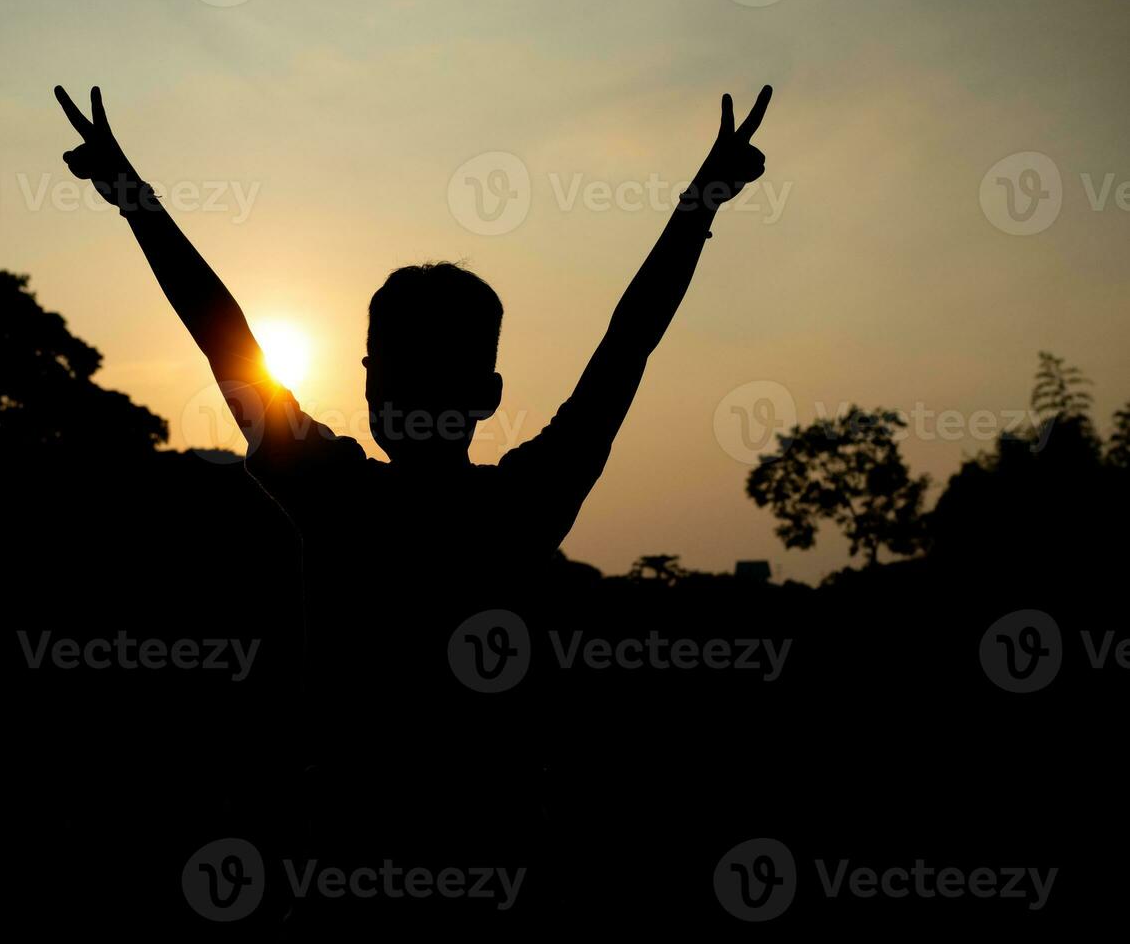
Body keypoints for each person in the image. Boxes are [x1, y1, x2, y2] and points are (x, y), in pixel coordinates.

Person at [54, 82, 773, 928]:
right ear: (491, 392)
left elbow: (223, 338)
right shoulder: (524, 501)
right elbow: (626, 344)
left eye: (388, 368)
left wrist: (130, 197)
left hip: (354, 854)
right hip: (497, 853)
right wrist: (699, 204)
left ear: (367, 383)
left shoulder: (333, 493)